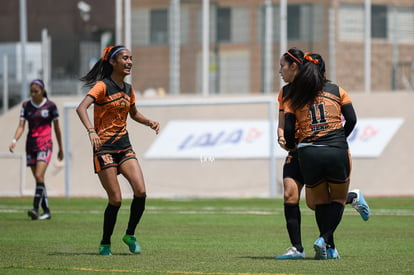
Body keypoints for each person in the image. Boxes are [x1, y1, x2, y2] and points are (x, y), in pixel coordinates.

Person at [275, 49, 370, 260]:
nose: (280, 70)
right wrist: (281, 137)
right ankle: (297, 248)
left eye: (282, 65)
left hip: (310, 150)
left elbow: (350, 118)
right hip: (300, 150)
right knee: (291, 195)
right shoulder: (285, 93)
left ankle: (329, 244)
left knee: (317, 202)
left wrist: (333, 140)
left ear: (296, 66)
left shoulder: (308, 93)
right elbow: (283, 123)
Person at [76, 45, 160, 256]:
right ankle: (105, 242)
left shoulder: (128, 89)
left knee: (140, 191)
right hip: (103, 148)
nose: (130, 61)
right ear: (113, 62)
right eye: (125, 58)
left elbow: (133, 114)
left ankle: (129, 234)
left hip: (124, 146)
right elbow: (81, 108)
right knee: (116, 199)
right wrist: (91, 131)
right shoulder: (102, 86)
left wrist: (148, 121)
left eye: (131, 58)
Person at [9, 79, 64, 220]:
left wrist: (61, 148)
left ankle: (35, 208)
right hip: (31, 145)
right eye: (31, 92)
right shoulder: (26, 105)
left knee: (39, 176)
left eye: (36, 91)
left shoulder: (51, 106)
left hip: (45, 144)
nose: (33, 94)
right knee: (38, 180)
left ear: (43, 91)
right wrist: (14, 140)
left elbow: (57, 128)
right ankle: (46, 211)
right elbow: (21, 126)